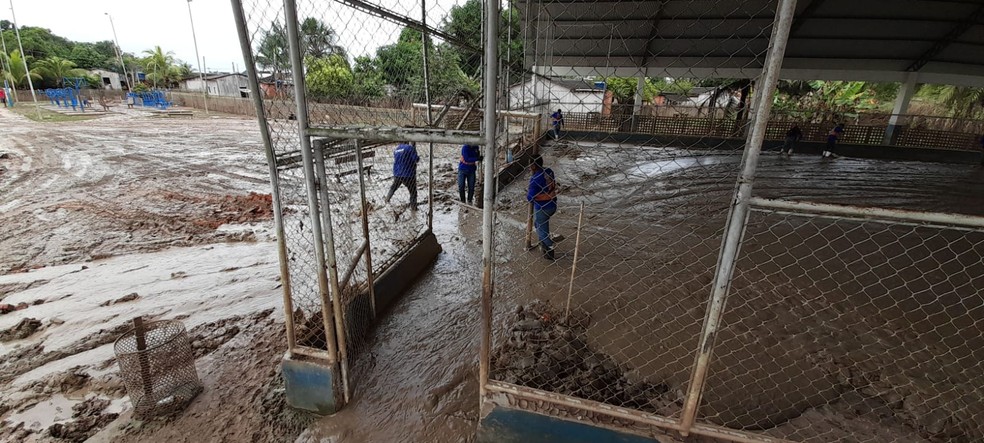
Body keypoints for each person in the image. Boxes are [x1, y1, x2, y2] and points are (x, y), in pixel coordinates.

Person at [527, 155, 558, 260]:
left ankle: (549, 246)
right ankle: (545, 248)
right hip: (552, 204)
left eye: (530, 165)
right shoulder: (549, 171)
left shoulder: (535, 179)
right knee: (542, 225)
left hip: (542, 207)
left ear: (534, 166)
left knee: (540, 227)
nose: (529, 167)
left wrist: (531, 188)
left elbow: (530, 198)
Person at [385, 142, 420, 209]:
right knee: (413, 192)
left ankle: (387, 200)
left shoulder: (397, 149)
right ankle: (414, 208)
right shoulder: (410, 148)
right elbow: (416, 159)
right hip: (408, 174)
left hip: (397, 173)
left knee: (393, 187)